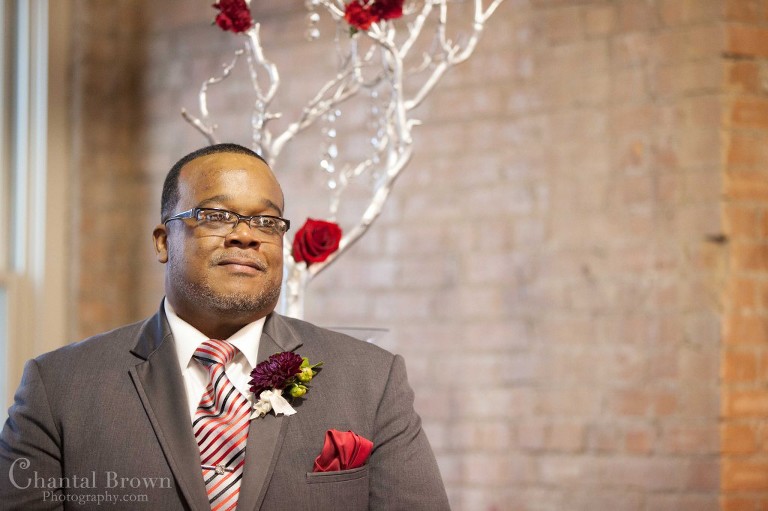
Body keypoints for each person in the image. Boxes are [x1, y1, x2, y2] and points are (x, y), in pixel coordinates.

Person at [0, 143, 450, 510]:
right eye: (216, 216)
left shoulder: (371, 381)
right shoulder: (58, 387)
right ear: (163, 241)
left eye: (266, 221)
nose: (246, 234)